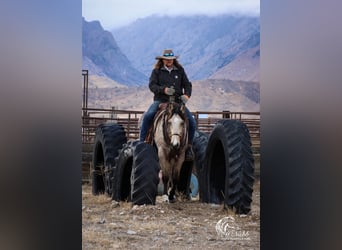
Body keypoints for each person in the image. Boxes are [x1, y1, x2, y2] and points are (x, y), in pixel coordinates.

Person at [140, 49, 196, 161]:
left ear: (173, 60)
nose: (169, 61)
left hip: (178, 102)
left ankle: (188, 147)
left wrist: (187, 95)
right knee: (148, 116)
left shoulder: (180, 70)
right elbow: (152, 85)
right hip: (161, 100)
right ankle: (142, 144)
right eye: (167, 59)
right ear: (163, 60)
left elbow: (187, 85)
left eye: (171, 59)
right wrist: (163, 90)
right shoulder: (156, 71)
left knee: (192, 122)